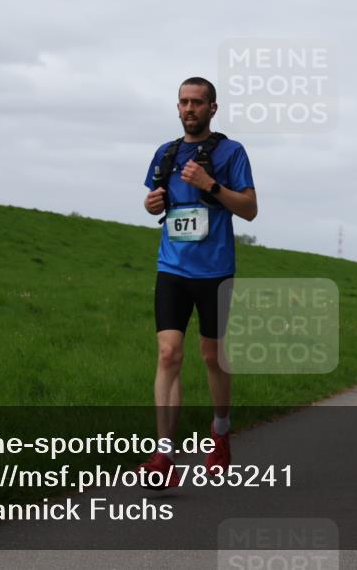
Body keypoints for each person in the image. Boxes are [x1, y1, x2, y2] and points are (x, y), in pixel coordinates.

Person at [139, 77, 258, 488]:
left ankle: (221, 430)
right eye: (184, 102)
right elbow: (154, 197)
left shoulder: (231, 152)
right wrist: (151, 202)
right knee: (169, 354)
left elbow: (250, 209)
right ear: (177, 107)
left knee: (212, 356)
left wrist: (211, 185)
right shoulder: (166, 153)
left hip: (215, 271)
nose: (189, 108)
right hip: (172, 266)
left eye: (197, 102)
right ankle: (164, 456)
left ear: (213, 108)